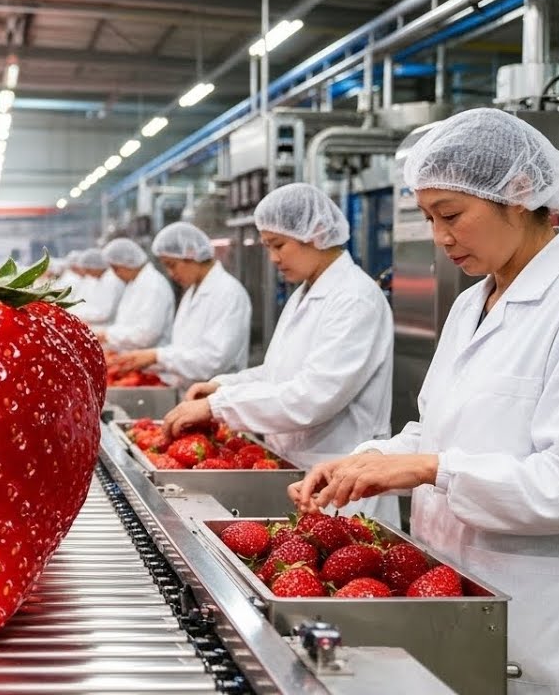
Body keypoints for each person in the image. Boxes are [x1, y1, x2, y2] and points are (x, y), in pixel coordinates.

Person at [289, 108, 559, 694]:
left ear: (519, 194)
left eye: (451, 215)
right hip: (447, 595)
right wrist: (369, 460)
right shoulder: (471, 304)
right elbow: (435, 430)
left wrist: (429, 469)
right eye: (429, 217)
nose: (440, 237)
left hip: (536, 625)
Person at [163, 183, 397, 524]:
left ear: (315, 233)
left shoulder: (355, 299)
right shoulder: (306, 292)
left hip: (342, 484)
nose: (273, 258)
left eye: (278, 245)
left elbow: (312, 397)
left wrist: (217, 407)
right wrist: (222, 386)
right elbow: (278, 373)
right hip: (298, 471)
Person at [109, 222, 251, 386]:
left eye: (172, 265)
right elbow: (184, 348)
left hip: (216, 395)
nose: (171, 273)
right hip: (188, 390)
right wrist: (151, 360)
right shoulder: (192, 291)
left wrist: (157, 356)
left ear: (191, 254)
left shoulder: (228, 293)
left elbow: (214, 361)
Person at [93, 238, 174, 352]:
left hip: (149, 362)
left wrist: (107, 335)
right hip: (130, 354)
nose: (116, 275)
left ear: (127, 263)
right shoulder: (134, 283)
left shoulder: (153, 285)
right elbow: (125, 324)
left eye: (116, 269)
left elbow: (146, 334)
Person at [69, 247, 124, 325]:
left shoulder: (112, 280)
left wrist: (78, 315)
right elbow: (87, 303)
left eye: (89, 269)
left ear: (97, 266)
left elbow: (104, 313)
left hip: (108, 326)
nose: (87, 273)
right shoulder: (95, 280)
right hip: (96, 324)